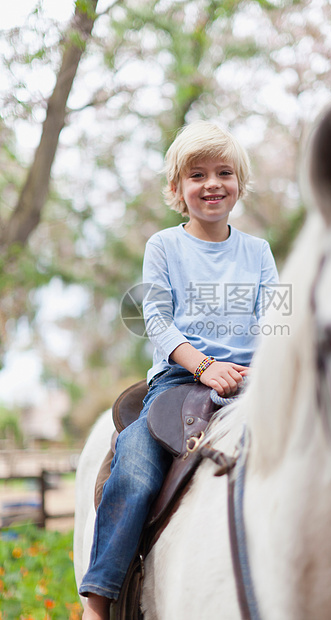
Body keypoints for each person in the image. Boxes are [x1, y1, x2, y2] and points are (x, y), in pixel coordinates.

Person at [80, 121, 279, 619]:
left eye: (224, 173)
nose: (212, 183)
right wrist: (205, 366)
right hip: (181, 378)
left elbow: (279, 322)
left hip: (253, 379)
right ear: (177, 189)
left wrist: (263, 370)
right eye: (197, 175)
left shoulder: (258, 252)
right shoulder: (164, 247)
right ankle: (100, 599)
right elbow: (157, 320)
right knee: (137, 467)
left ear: (240, 185)